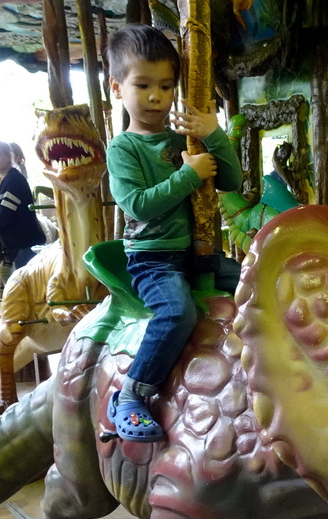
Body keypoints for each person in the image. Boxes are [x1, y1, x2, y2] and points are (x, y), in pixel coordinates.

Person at [105, 23, 242, 442]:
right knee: (177, 312)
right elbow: (138, 205)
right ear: (117, 88)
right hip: (152, 259)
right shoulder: (123, 149)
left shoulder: (186, 138)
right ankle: (132, 393)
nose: (155, 96)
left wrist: (212, 135)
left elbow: (232, 180)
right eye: (142, 84)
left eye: (166, 86)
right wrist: (187, 174)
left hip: (196, 255)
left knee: (253, 280)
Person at [0, 140, 46, 272]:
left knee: (30, 290)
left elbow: (3, 218)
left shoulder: (13, 181)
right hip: (23, 245)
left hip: (25, 245)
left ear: (7, 155)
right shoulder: (9, 180)